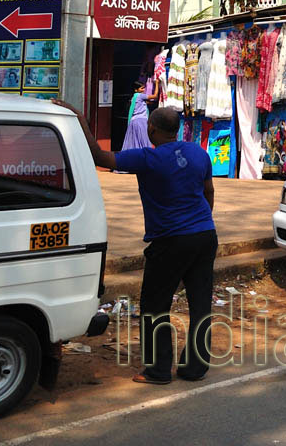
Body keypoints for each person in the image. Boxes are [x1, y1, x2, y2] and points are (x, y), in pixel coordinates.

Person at [61, 102, 216, 385]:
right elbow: (209, 192)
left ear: (151, 128)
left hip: (170, 240)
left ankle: (158, 370)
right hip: (205, 235)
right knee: (200, 302)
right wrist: (202, 222)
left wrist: (78, 116)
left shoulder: (148, 158)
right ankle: (195, 368)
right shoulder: (198, 152)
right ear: (177, 129)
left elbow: (100, 156)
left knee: (155, 305)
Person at [122, 80, 154, 152]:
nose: (143, 90)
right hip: (141, 121)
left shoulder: (134, 97)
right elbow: (155, 96)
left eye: (144, 88)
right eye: (141, 88)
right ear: (136, 90)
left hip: (134, 121)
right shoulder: (140, 95)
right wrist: (157, 84)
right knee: (144, 139)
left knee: (134, 140)